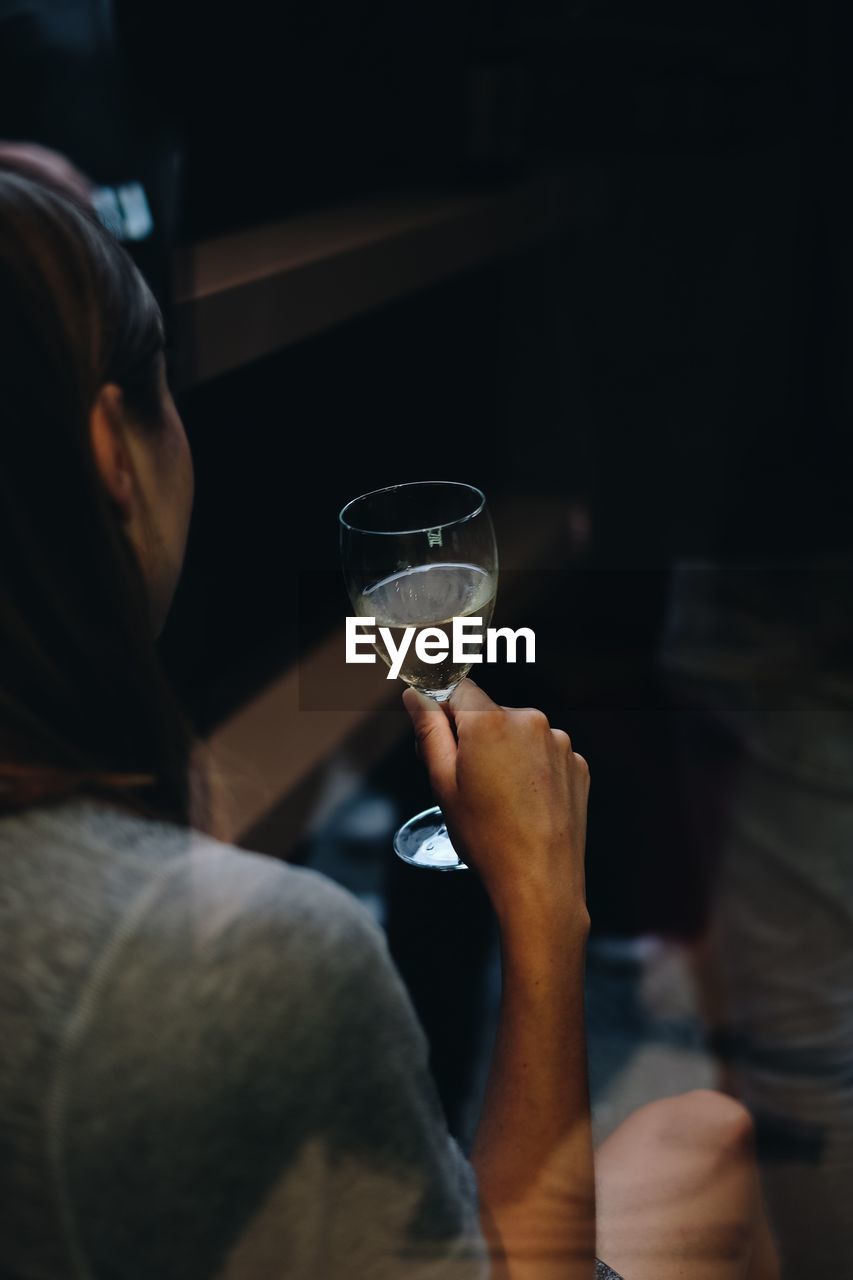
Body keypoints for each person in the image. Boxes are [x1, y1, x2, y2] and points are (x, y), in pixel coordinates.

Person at [0, 169, 778, 1280]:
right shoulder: (259, 958)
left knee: (703, 1135)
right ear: (111, 451)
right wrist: (546, 909)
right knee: (714, 1142)